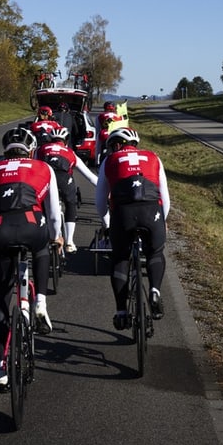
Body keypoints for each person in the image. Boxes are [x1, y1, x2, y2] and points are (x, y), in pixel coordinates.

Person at [0, 126, 64, 390]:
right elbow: (53, 213)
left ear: (4, 152)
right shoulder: (43, 168)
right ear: (31, 150)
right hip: (31, 225)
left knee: (0, 298)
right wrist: (57, 238)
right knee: (41, 249)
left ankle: (0, 368)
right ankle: (39, 303)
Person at [95, 127, 171, 331]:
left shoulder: (109, 161)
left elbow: (100, 200)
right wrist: (161, 220)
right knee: (155, 251)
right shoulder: (153, 157)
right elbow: (165, 196)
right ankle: (154, 290)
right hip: (151, 211)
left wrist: (107, 222)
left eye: (112, 147)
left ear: (117, 145)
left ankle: (121, 312)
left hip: (124, 214)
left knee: (120, 258)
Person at [36, 126, 98, 252]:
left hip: (46, 179)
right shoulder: (70, 152)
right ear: (66, 140)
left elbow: (34, 167)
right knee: (71, 204)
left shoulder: (41, 149)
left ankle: (44, 237)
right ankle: (69, 242)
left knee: (42, 207)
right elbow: (89, 176)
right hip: (64, 180)